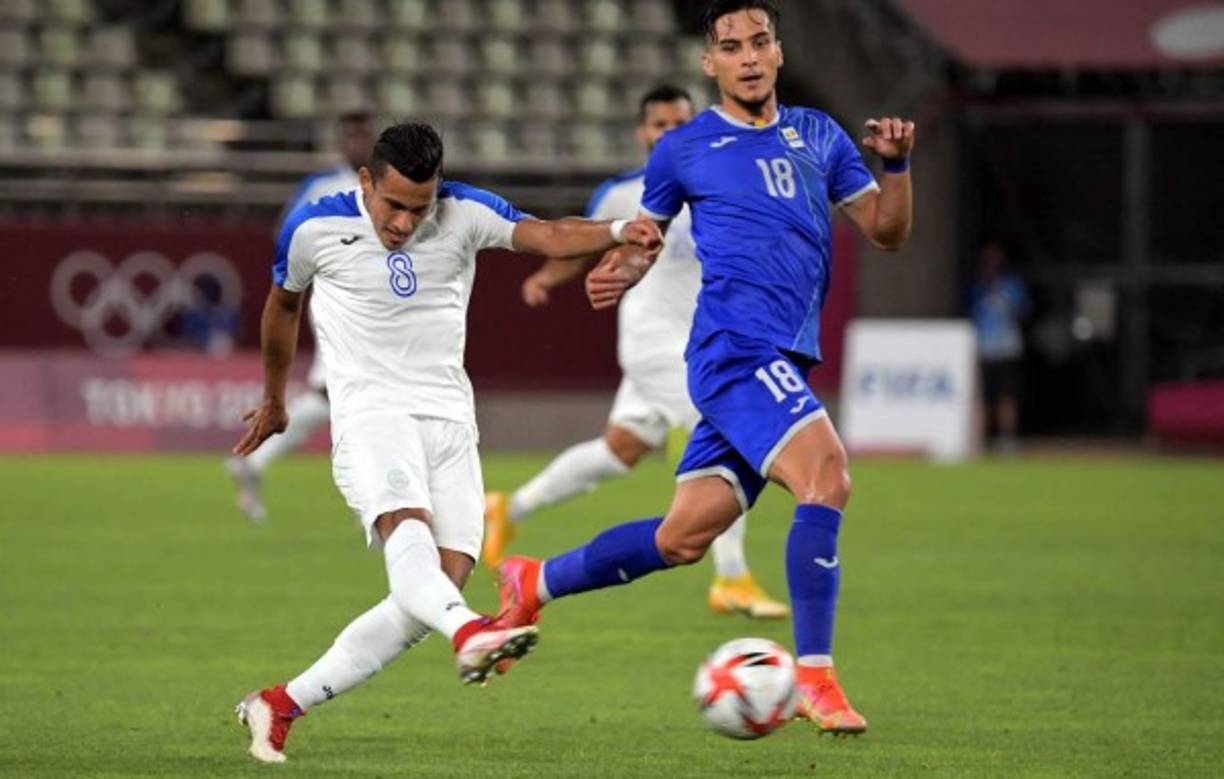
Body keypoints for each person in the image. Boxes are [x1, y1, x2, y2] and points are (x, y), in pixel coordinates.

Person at [496, 0, 914, 735]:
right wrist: (622, 268)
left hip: (778, 357)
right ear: (709, 62)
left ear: (778, 52)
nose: (748, 57)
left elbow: (886, 231)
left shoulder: (819, 136)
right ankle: (815, 677)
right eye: (731, 46)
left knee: (683, 537)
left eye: (759, 42)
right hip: (732, 352)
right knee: (828, 475)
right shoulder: (684, 149)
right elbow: (645, 235)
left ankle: (535, 578)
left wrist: (898, 166)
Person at [231, 121, 662, 763]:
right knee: (412, 541)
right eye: (393, 205)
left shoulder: (463, 213)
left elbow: (545, 233)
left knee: (438, 581)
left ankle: (281, 703)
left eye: (418, 208)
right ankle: (470, 630)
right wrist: (273, 397)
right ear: (366, 183)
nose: (405, 223)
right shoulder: (315, 227)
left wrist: (617, 231)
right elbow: (282, 306)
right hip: (371, 413)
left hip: (450, 418)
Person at [484, 84, 788, 620]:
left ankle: (510, 507)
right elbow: (584, 243)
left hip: (699, 341)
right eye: (660, 125)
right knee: (726, 432)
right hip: (653, 342)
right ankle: (732, 577)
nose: (669, 133)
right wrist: (548, 278)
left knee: (620, 450)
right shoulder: (623, 194)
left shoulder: (722, 186)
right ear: (642, 132)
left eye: (680, 124)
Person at [226, 111, 377, 522]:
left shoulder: (386, 181)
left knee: (334, 396)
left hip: (380, 300)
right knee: (357, 395)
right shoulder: (322, 185)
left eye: (365, 134)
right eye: (352, 134)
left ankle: (255, 463)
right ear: (342, 140)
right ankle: (381, 506)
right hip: (337, 297)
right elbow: (287, 231)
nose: (358, 141)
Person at [969, 241, 1029, 452]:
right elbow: (971, 313)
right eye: (988, 260)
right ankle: (982, 439)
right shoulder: (978, 287)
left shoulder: (1012, 286)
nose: (992, 264)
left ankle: (1007, 438)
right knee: (984, 396)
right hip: (985, 348)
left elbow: (1023, 311)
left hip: (1007, 347)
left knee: (1007, 396)